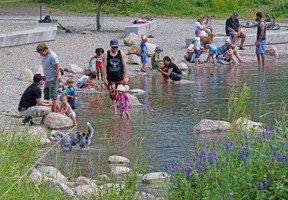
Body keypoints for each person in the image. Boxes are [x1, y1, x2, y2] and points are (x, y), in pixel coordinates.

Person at [36, 43, 61, 112]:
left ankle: (53, 113)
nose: (40, 55)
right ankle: (58, 110)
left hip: (53, 78)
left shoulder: (52, 56)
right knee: (47, 96)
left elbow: (57, 69)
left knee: (53, 97)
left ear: (46, 50)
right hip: (47, 78)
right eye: (39, 53)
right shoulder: (43, 55)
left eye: (41, 53)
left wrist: (55, 80)